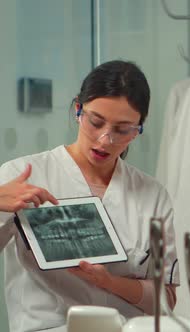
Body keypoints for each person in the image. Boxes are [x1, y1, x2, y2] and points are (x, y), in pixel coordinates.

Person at [0, 60, 179, 332]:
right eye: (96, 122)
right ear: (77, 110)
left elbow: (166, 301)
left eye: (123, 130)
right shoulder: (22, 175)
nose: (105, 139)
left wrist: (109, 282)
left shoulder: (152, 195)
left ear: (139, 128)